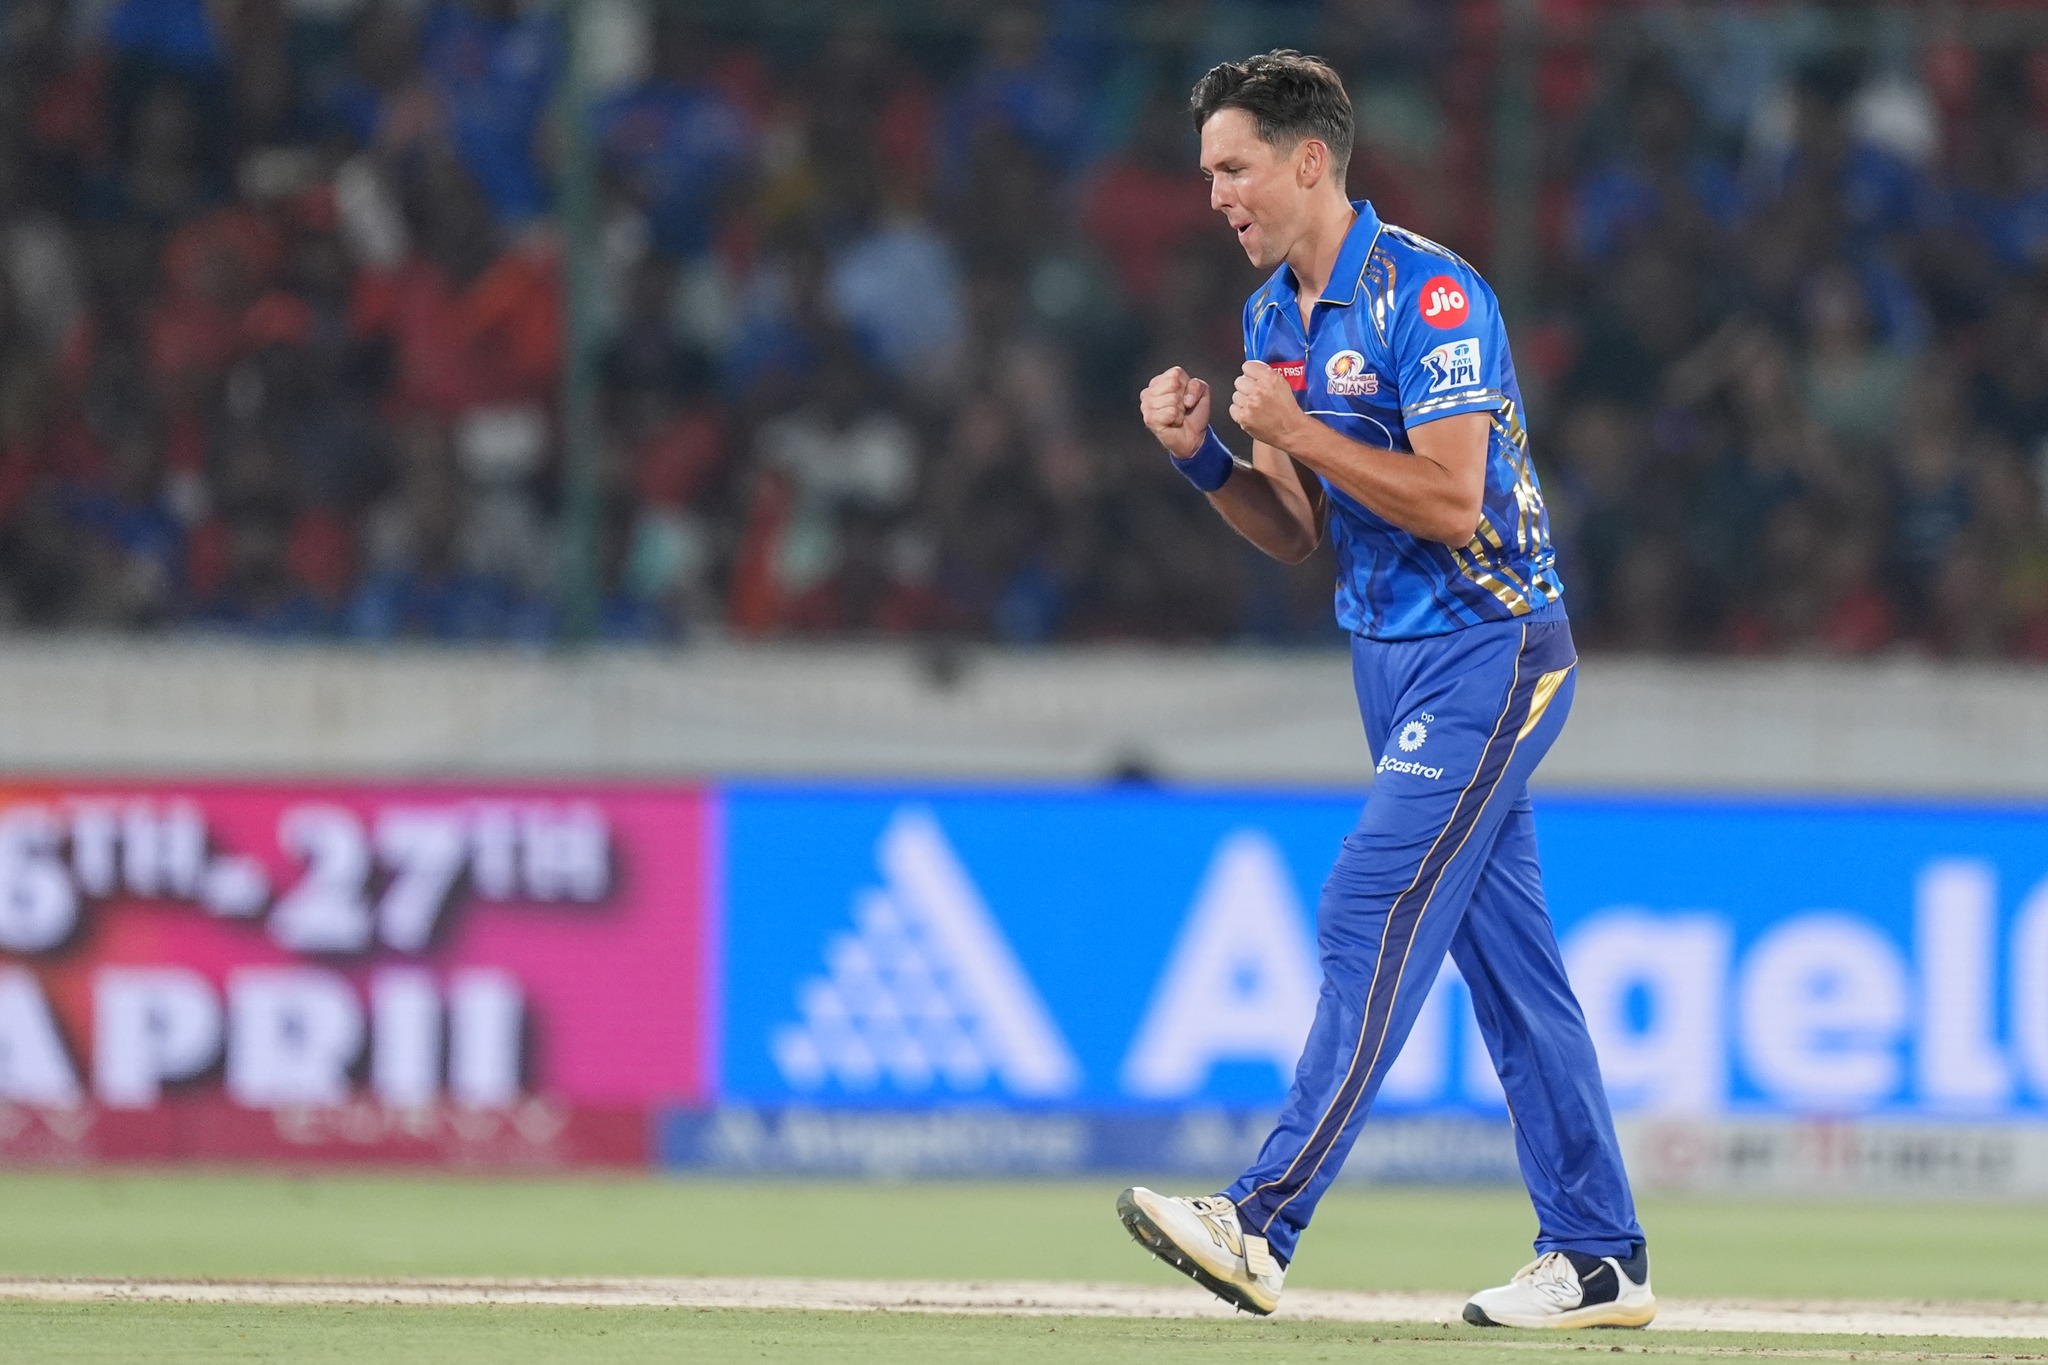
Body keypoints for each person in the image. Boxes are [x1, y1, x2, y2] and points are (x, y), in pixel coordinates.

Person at [1119, 50, 1653, 1330]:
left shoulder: (1430, 294)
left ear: (1308, 161)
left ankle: (1259, 1221)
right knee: (1507, 968)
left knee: (1367, 900)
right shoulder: (1271, 319)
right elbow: (1298, 531)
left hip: (1492, 647)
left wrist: (1299, 431)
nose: (1214, 196)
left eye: (1233, 168)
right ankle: (1597, 1257)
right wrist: (1205, 461)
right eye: (1206, 173)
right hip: (1387, 663)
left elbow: (1451, 500)